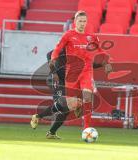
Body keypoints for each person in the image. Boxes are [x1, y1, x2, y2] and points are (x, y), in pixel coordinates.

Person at [30, 10, 112, 138]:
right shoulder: (68, 35)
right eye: (80, 21)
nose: (82, 23)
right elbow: (56, 50)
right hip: (71, 74)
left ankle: (87, 129)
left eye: (84, 21)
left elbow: (101, 51)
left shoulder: (91, 37)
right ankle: (40, 117)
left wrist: (106, 63)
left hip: (86, 71)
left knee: (87, 96)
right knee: (68, 106)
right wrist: (53, 61)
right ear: (75, 22)